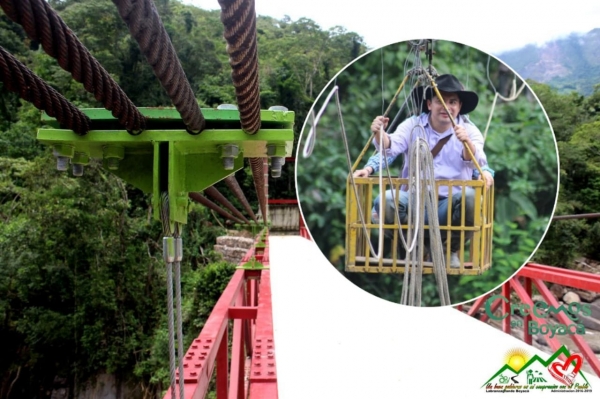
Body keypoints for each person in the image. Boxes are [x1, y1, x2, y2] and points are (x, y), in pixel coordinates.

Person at [353, 74, 493, 267]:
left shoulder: (469, 131)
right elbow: (390, 147)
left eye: (452, 102)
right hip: (415, 201)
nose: (446, 106)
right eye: (440, 100)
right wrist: (379, 133)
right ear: (429, 104)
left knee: (471, 197)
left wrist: (466, 142)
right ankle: (414, 246)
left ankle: (448, 249)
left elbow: (477, 162)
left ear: (459, 106)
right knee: (384, 200)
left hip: (449, 206)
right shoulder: (413, 124)